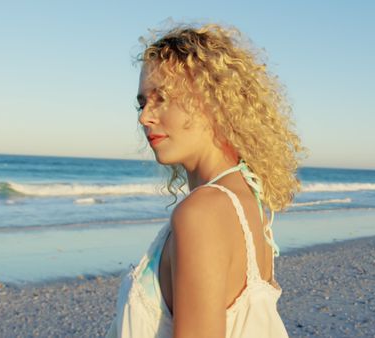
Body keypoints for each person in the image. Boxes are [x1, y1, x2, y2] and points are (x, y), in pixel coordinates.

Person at [106, 21, 307, 338]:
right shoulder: (247, 199)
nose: (144, 117)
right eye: (142, 102)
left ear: (214, 101)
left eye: (162, 98)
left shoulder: (202, 214)